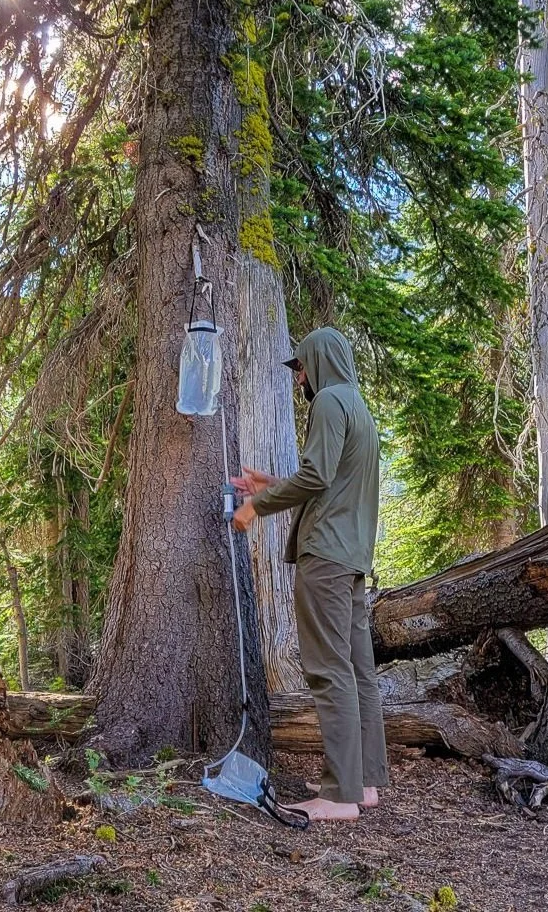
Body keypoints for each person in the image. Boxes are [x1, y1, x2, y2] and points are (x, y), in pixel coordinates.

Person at [230, 326, 387, 822]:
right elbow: (332, 482)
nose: (299, 377)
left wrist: (257, 505)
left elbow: (317, 477)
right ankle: (363, 784)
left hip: (326, 558)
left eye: (300, 366)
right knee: (359, 671)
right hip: (354, 560)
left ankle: (339, 796)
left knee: (328, 670)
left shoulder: (328, 404)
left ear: (317, 361)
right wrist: (272, 483)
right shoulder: (358, 408)